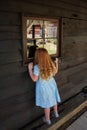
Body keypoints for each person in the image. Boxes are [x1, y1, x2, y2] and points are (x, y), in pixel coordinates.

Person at [28, 48, 61, 125]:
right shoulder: (50, 63)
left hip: (44, 88)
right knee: (54, 99)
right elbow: (55, 72)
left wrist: (30, 69)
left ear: (38, 57)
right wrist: (56, 63)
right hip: (52, 85)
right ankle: (56, 113)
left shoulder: (37, 67)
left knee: (47, 104)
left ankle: (47, 119)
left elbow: (34, 79)